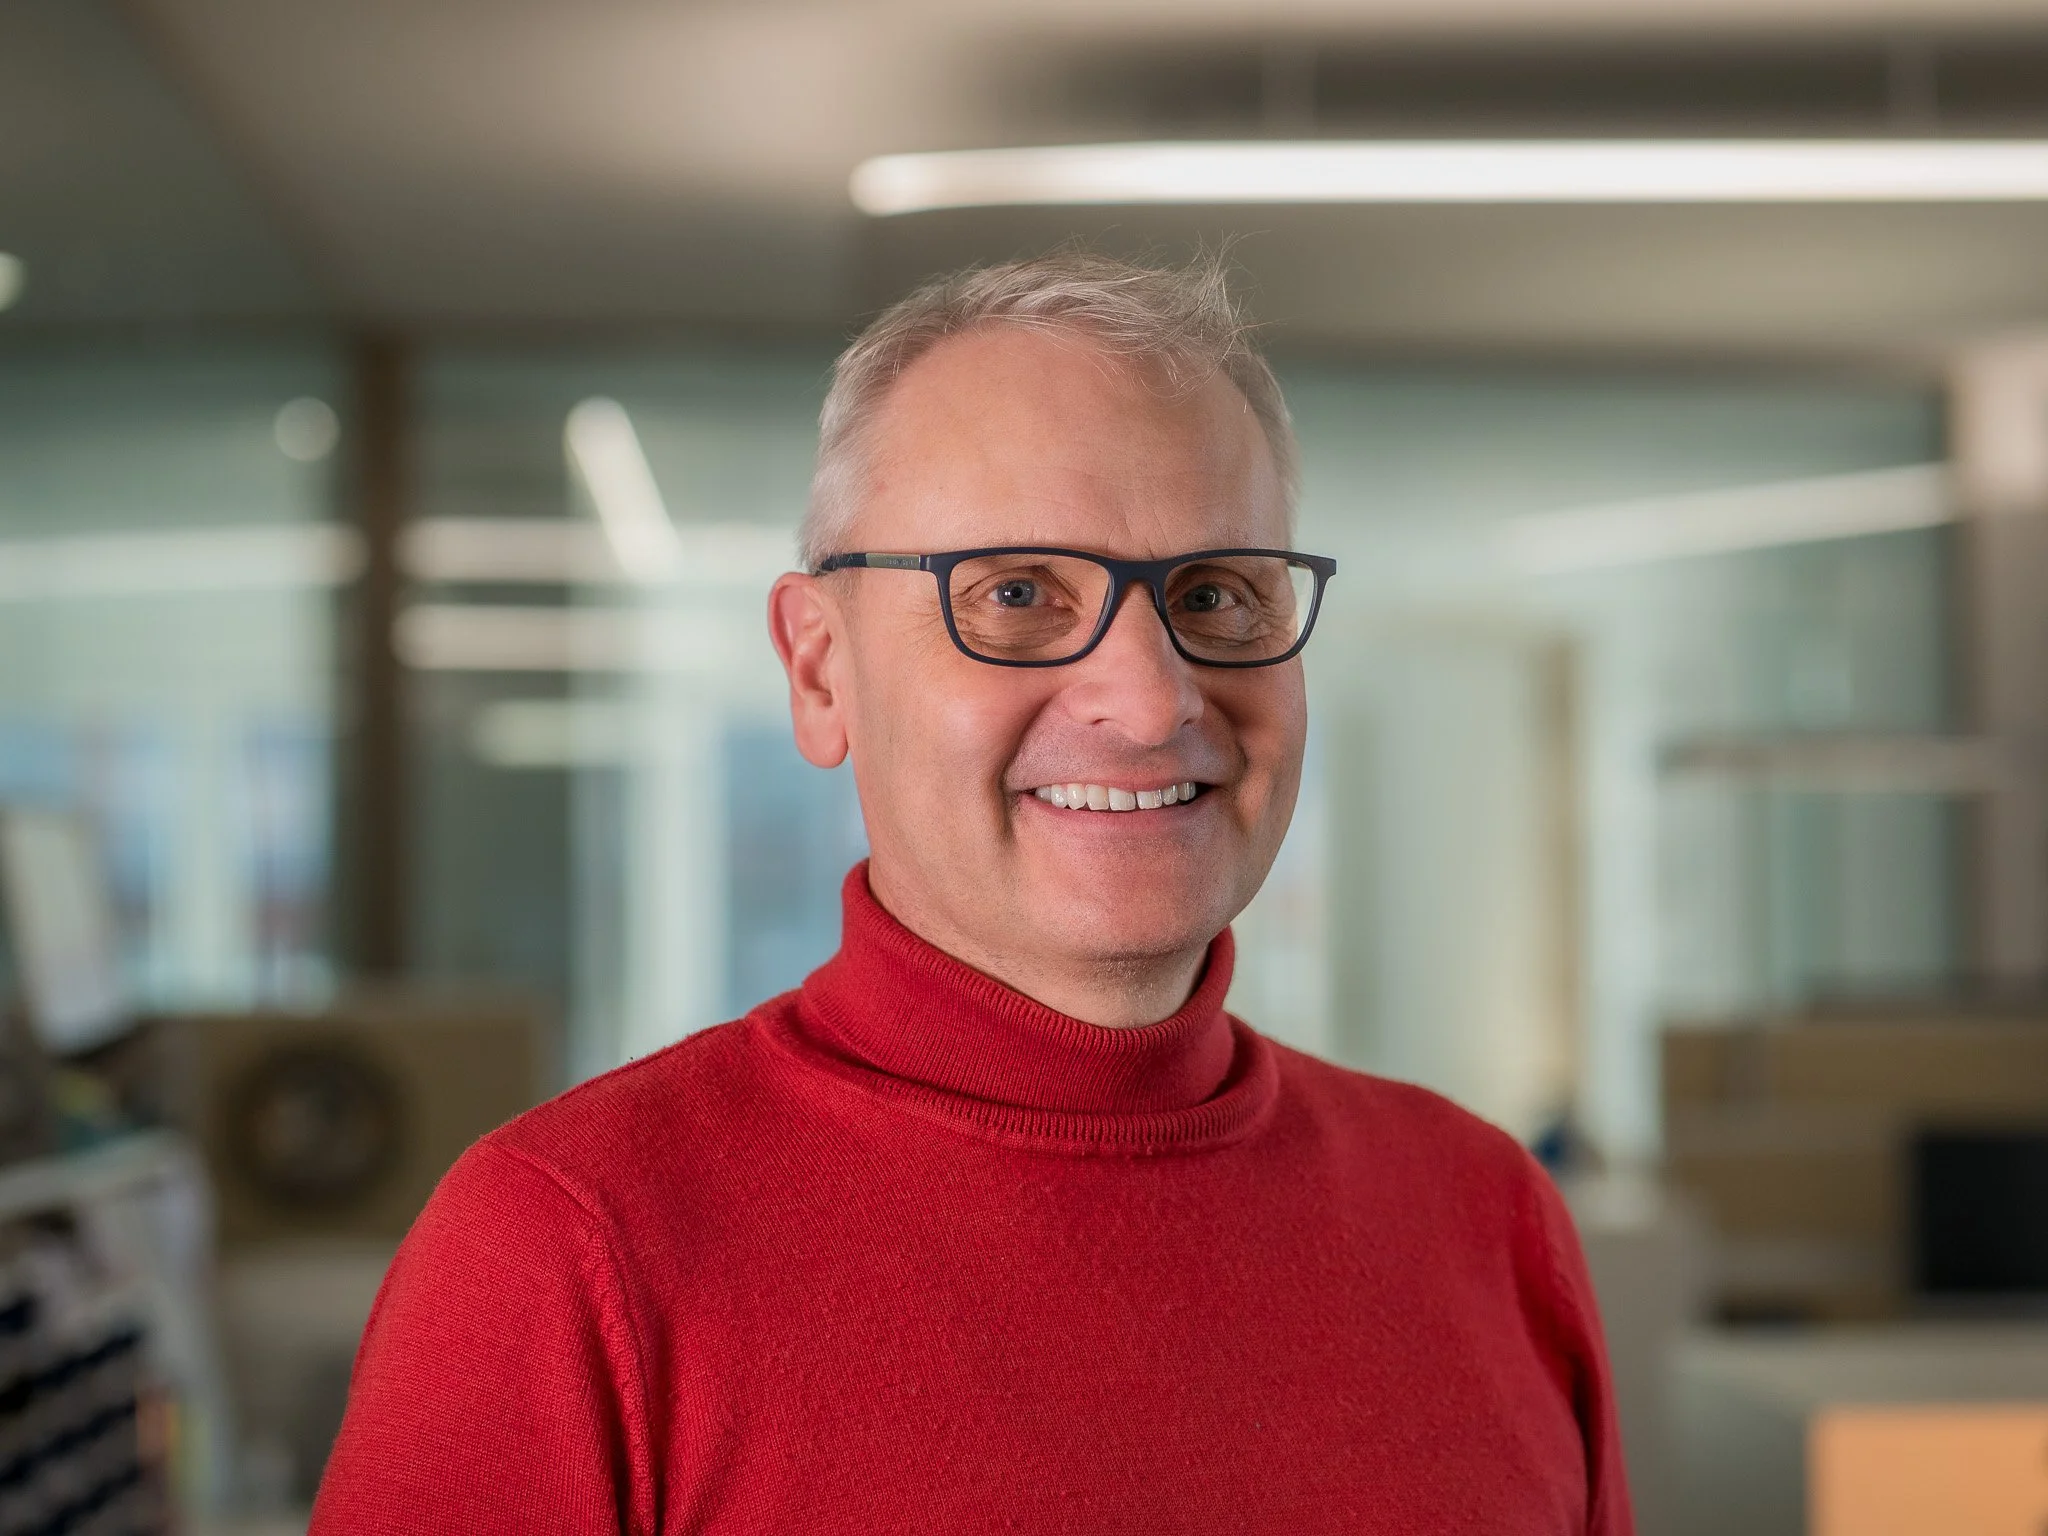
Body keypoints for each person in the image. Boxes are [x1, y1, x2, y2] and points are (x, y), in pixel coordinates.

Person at [310, 252, 1632, 1534]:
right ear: (821, 671)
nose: (1151, 698)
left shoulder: (1482, 1218)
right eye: (1014, 594)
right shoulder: (561, 1257)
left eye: (1218, 593)